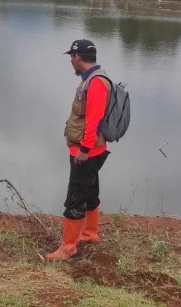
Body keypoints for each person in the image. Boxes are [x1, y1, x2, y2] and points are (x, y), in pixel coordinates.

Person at [47, 39, 112, 261]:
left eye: (71, 57)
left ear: (77, 57)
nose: (70, 62)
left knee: (75, 198)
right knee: (90, 192)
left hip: (87, 152)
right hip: (92, 150)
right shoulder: (90, 79)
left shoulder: (95, 83)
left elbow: (93, 120)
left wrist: (83, 149)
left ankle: (67, 248)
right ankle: (90, 234)